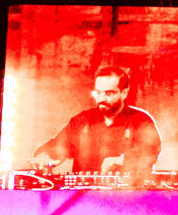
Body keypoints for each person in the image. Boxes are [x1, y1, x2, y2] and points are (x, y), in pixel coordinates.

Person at [30, 62, 164, 185]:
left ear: (124, 93)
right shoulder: (82, 121)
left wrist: (122, 160)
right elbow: (58, 146)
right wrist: (44, 156)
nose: (102, 99)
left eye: (109, 93)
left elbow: (151, 149)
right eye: (98, 93)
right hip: (83, 196)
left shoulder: (141, 120)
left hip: (128, 195)